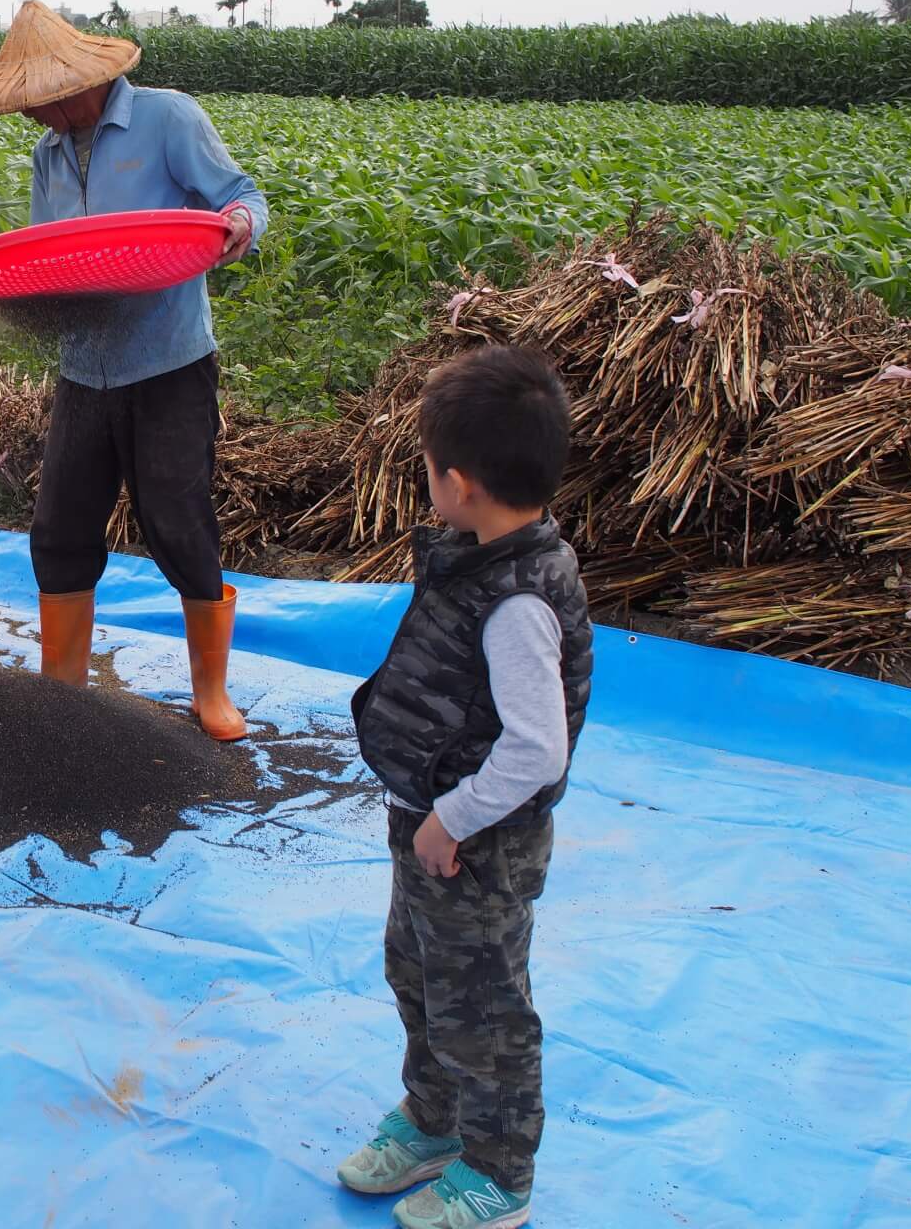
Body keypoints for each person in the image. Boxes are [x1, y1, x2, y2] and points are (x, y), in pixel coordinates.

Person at [0, 1, 269, 740]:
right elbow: (54, 256)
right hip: (84, 367)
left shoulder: (169, 120)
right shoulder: (48, 157)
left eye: (37, 103)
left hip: (167, 361)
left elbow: (242, 196)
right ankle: (63, 696)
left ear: (75, 86)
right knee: (59, 524)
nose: (32, 118)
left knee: (177, 518)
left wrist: (238, 227)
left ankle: (211, 693)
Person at [337, 346, 592, 1229]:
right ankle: (435, 1121)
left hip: (475, 848)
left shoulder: (519, 601)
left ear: (461, 483)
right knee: (419, 975)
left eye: (428, 470)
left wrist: (449, 820)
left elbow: (536, 752)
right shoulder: (478, 554)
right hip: (431, 830)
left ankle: (499, 1175)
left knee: (484, 1010)